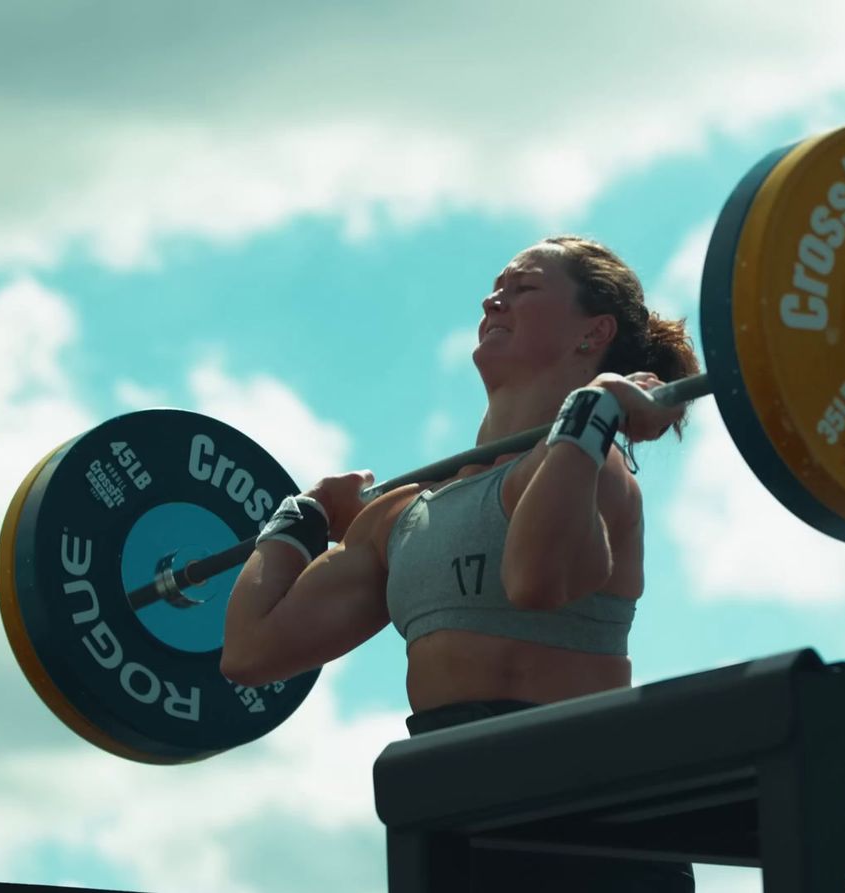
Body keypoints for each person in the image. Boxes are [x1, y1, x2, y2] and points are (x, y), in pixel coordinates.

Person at [220, 235, 699, 891]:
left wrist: (599, 406)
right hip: (456, 818)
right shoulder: (399, 518)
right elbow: (250, 650)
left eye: (523, 286)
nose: (491, 296)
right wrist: (298, 517)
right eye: (496, 283)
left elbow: (533, 579)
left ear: (594, 333)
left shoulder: (600, 473)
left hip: (593, 829)